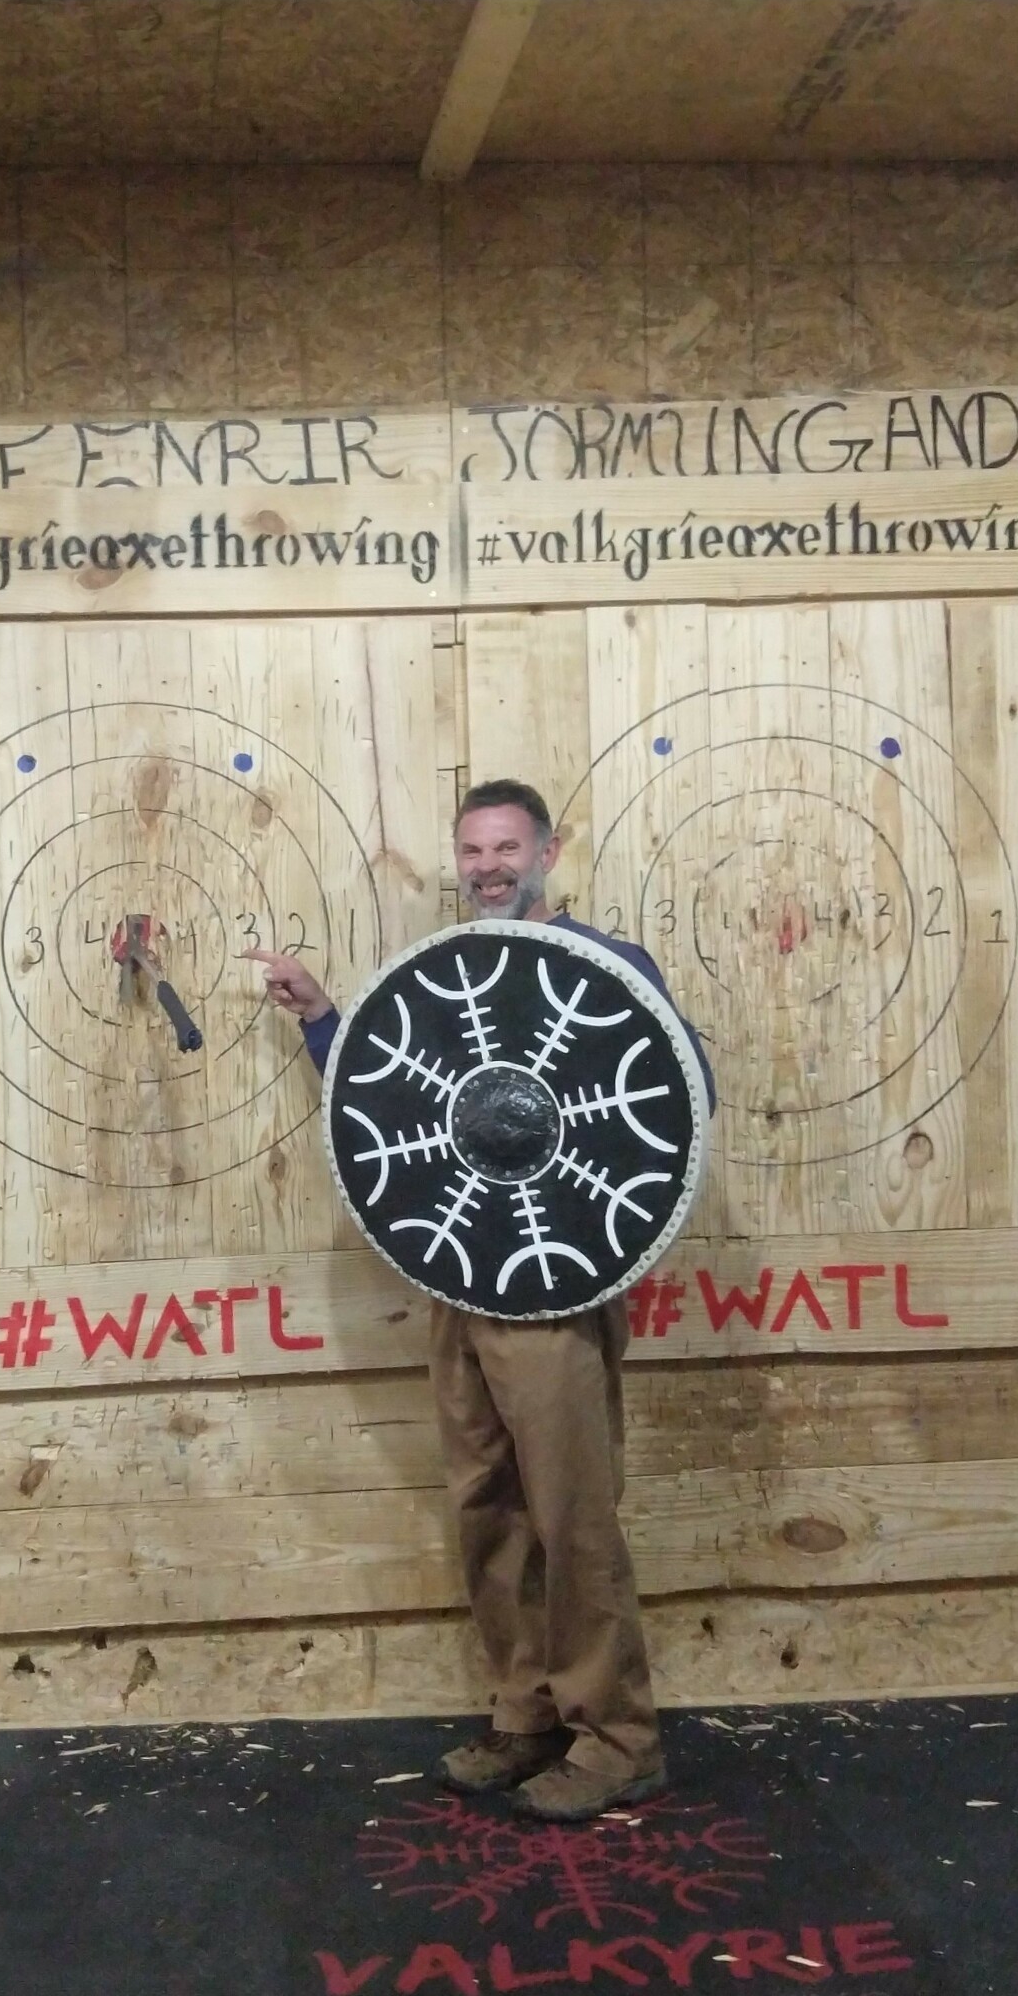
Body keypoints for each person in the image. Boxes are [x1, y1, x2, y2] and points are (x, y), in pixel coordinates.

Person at [248, 779, 715, 1824]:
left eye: (508, 845)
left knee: (570, 1511)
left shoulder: (604, 969)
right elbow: (403, 1091)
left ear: (547, 849)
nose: (490, 864)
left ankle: (620, 1736)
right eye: (472, 848)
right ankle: (527, 1711)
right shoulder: (460, 976)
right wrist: (327, 1019)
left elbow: (678, 1099)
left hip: (554, 1293)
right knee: (487, 1506)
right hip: (459, 1282)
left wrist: (605, 1238)